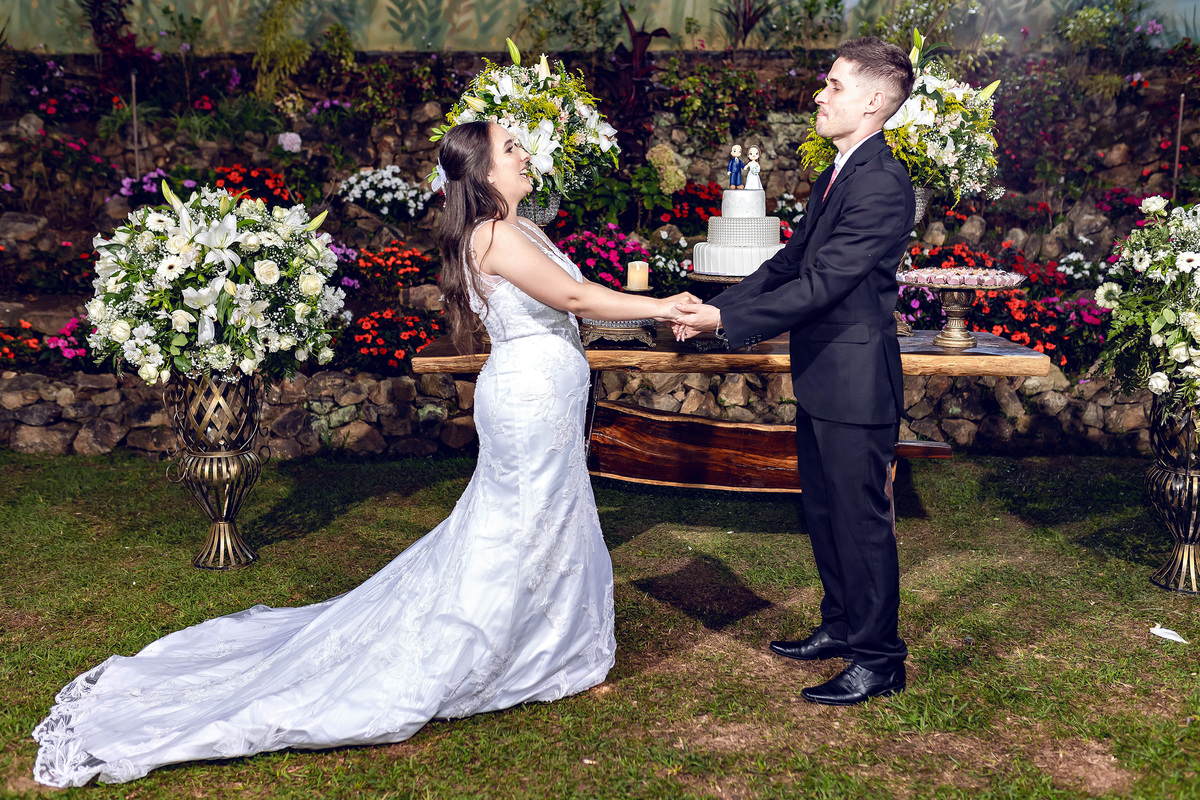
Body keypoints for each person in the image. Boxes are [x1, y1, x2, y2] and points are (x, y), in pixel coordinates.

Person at [32, 120, 697, 787]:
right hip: (528, 399)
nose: (526, 155)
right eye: (511, 148)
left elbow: (576, 307)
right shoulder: (492, 235)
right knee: (519, 520)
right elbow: (574, 296)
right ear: (484, 172)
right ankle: (496, 644)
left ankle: (545, 639)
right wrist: (662, 306)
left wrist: (652, 315)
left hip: (546, 395)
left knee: (543, 515)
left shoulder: (520, 229)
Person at [673, 37, 916, 707]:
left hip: (857, 382)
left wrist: (720, 323)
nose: (820, 94)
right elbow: (787, 265)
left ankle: (879, 659)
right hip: (824, 375)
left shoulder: (882, 181)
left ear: (874, 101)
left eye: (835, 85)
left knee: (860, 521)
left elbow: (824, 284)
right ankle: (841, 625)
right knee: (825, 510)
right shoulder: (840, 172)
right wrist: (716, 308)